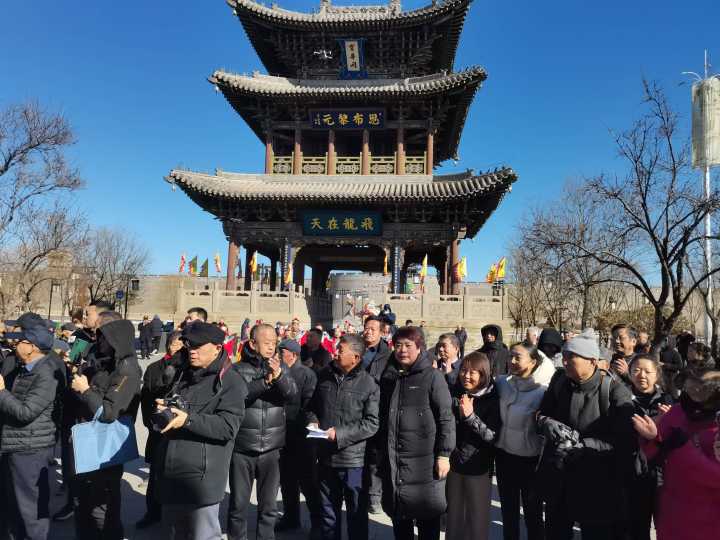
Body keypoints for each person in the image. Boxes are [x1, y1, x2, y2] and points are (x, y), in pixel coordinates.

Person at [536, 328, 635, 539]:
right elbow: (540, 414)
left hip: (597, 484)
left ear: (592, 361)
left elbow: (625, 441)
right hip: (559, 478)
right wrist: (547, 423)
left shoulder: (615, 392)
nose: (564, 362)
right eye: (563, 357)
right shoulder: (559, 381)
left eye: (571, 357)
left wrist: (586, 445)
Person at [153, 321, 247, 540]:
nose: (192, 351)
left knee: (203, 536)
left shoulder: (230, 382)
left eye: (198, 346)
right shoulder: (183, 374)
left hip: (201, 480)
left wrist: (188, 420)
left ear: (217, 347)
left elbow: (227, 427)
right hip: (172, 472)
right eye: (189, 346)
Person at [378, 326, 455, 540]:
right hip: (396, 459)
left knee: (427, 521)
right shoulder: (388, 377)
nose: (402, 350)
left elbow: (446, 418)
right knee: (400, 519)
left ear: (419, 347)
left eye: (408, 345)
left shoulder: (432, 377)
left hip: (425, 462)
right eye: (398, 345)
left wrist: (444, 454)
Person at [70, 317, 142, 540]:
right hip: (89, 440)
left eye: (105, 338)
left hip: (105, 447)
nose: (100, 343)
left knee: (101, 507)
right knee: (83, 501)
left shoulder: (127, 369)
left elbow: (110, 412)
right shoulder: (107, 363)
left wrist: (85, 390)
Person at [307, 334, 380, 540]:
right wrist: (313, 420)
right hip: (325, 456)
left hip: (353, 461)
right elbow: (312, 407)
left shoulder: (369, 384)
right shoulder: (324, 376)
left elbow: (371, 423)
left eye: (341, 349)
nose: (335, 352)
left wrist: (339, 434)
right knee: (328, 514)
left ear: (356, 357)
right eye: (337, 348)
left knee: (356, 515)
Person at [633, 369, 720, 540]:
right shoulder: (678, 411)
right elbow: (655, 453)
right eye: (691, 386)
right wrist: (652, 437)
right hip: (672, 510)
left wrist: (683, 448)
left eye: (703, 388)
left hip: (709, 518)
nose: (694, 391)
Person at [229, 323, 297, 540]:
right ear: (252, 343)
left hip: (272, 447)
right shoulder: (237, 369)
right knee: (238, 505)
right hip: (243, 447)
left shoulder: (280, 367)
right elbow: (239, 397)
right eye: (266, 343)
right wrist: (265, 382)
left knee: (268, 507)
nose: (271, 347)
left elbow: (292, 394)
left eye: (274, 343)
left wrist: (278, 375)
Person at [0, 323, 59, 540]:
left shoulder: (45, 374)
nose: (15, 344)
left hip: (30, 450)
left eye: (20, 341)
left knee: (31, 510)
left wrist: (1, 392)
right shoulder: (24, 369)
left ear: (32, 347)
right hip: (16, 445)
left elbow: (26, 412)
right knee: (15, 506)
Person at [495, 342, 555, 540]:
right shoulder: (502, 383)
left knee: (533, 514)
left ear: (533, 362)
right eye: (510, 356)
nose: (511, 361)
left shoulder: (543, 392)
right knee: (509, 513)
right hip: (504, 456)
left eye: (517, 357)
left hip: (530, 460)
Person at [446, 352, 501, 540]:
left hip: (478, 467)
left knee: (476, 518)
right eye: (463, 370)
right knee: (454, 516)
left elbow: (493, 436)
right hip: (454, 463)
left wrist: (470, 417)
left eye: (472, 372)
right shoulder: (456, 392)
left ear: (484, 374)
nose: (466, 376)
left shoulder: (493, 398)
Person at [136, 330, 184, 529]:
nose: (180, 350)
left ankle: (175, 517)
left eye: (184, 346)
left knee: (178, 479)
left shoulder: (188, 369)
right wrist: (152, 423)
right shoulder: (155, 368)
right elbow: (146, 399)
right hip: (158, 431)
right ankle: (152, 512)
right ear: (169, 346)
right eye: (176, 345)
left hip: (181, 432)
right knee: (156, 476)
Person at [625, 354, 672, 540]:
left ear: (657, 375)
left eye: (647, 371)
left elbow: (678, 438)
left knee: (666, 524)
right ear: (629, 374)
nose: (641, 375)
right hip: (633, 472)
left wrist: (670, 420)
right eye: (636, 370)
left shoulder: (668, 400)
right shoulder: (621, 399)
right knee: (636, 525)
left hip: (663, 472)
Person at [276, 339, 320, 533]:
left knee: (308, 482)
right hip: (281, 435)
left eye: (281, 352)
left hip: (301, 436)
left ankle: (318, 522)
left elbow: (310, 404)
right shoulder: (277, 372)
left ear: (293, 355)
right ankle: (290, 517)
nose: (278, 355)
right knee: (286, 481)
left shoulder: (307, 374)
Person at [360, 315, 392, 512]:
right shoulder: (355, 348)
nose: (368, 331)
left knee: (375, 456)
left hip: (377, 410)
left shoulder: (388, 355)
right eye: (366, 327)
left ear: (382, 332)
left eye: (373, 328)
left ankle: (374, 495)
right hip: (355, 409)